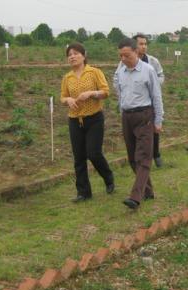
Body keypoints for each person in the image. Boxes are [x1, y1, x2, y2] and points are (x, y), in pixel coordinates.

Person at [60, 42, 115, 203]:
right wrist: (68, 100)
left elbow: (106, 92)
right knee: (79, 157)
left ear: (84, 56)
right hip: (75, 120)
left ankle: (108, 177)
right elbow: (62, 96)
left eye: (76, 53)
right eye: (69, 54)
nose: (72, 56)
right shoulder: (67, 78)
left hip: (94, 118)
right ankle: (83, 192)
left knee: (93, 153)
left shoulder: (94, 72)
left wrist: (91, 93)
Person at [114, 38, 163, 210]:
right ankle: (148, 191)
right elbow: (120, 93)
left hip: (144, 116)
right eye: (120, 56)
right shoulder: (121, 71)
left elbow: (156, 96)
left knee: (143, 157)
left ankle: (135, 197)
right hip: (127, 116)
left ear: (136, 52)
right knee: (132, 158)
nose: (123, 59)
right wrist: (122, 111)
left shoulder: (148, 70)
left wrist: (158, 120)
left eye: (126, 55)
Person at [133, 34, 165, 168]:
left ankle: (156, 154)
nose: (144, 46)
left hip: (151, 101)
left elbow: (161, 75)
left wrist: (154, 85)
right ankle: (138, 156)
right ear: (134, 46)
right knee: (136, 130)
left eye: (145, 44)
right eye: (141, 44)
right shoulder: (127, 61)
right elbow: (117, 79)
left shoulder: (153, 61)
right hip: (136, 102)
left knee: (154, 128)